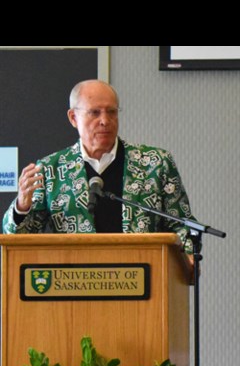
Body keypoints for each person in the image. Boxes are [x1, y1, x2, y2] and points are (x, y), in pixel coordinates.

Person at [2, 79, 198, 254]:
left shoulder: (155, 163)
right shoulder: (50, 169)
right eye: (94, 113)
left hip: (143, 282)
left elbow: (182, 225)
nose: (105, 121)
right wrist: (22, 206)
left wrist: (187, 258)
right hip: (73, 284)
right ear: (73, 118)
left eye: (111, 112)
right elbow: (16, 239)